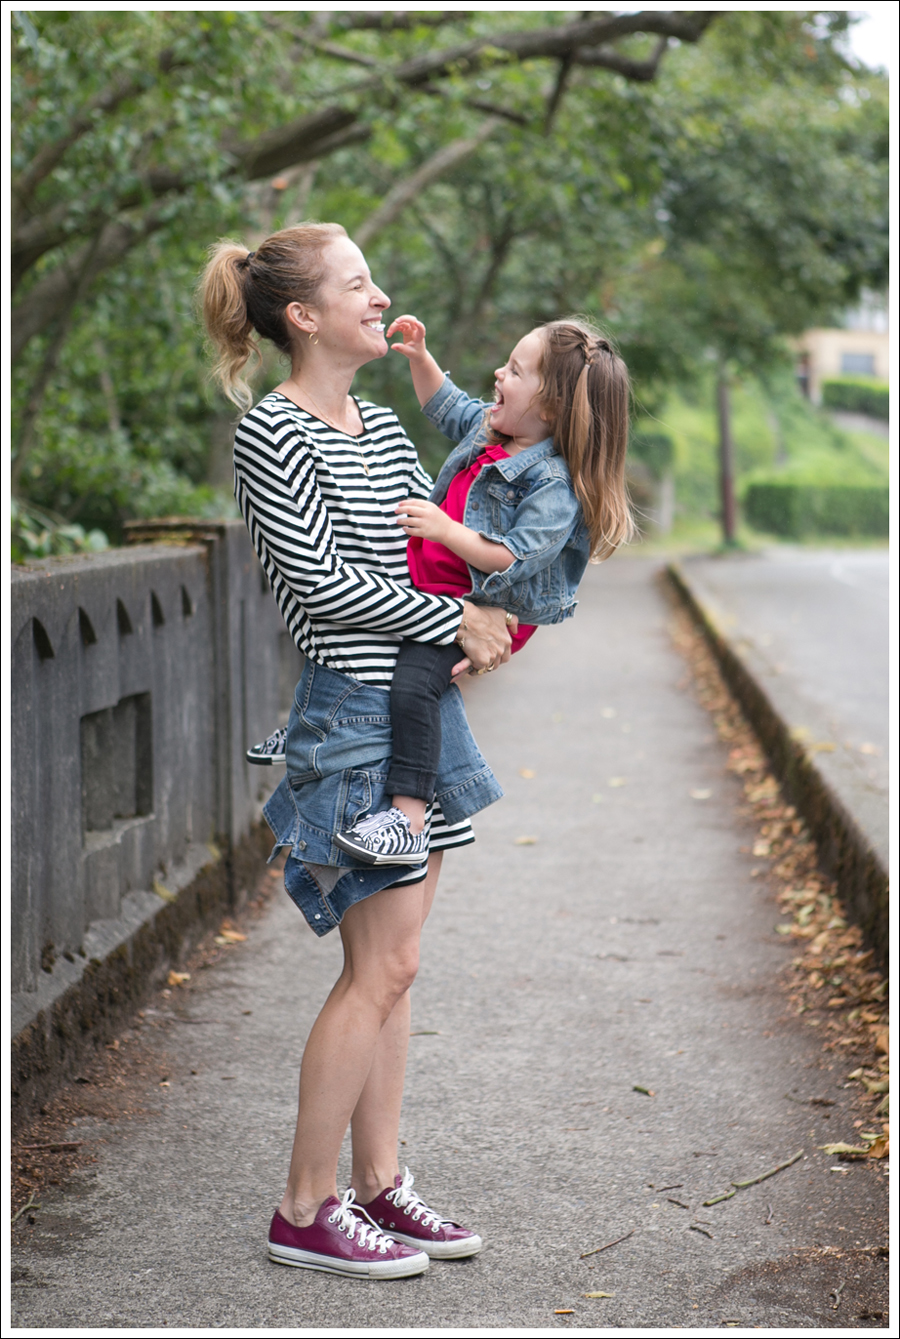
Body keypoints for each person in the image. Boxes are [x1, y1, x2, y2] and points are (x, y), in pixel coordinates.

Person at [200, 222, 514, 1280]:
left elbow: (425, 553)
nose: (380, 297)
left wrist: (478, 614)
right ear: (303, 315)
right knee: (383, 965)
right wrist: (451, 622)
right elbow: (320, 589)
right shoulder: (271, 433)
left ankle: (379, 1184)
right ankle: (304, 1206)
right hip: (352, 715)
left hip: (418, 708)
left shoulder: (380, 425)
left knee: (395, 967)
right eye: (358, 283)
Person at [248, 312, 633, 865]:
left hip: (487, 604)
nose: (498, 374)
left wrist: (446, 529)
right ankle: (316, 724)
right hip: (445, 586)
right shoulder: (493, 431)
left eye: (515, 371)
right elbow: (446, 405)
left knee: (412, 685)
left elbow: (514, 557)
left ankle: (406, 816)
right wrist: (422, 358)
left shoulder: (552, 484)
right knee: (372, 646)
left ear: (550, 407)